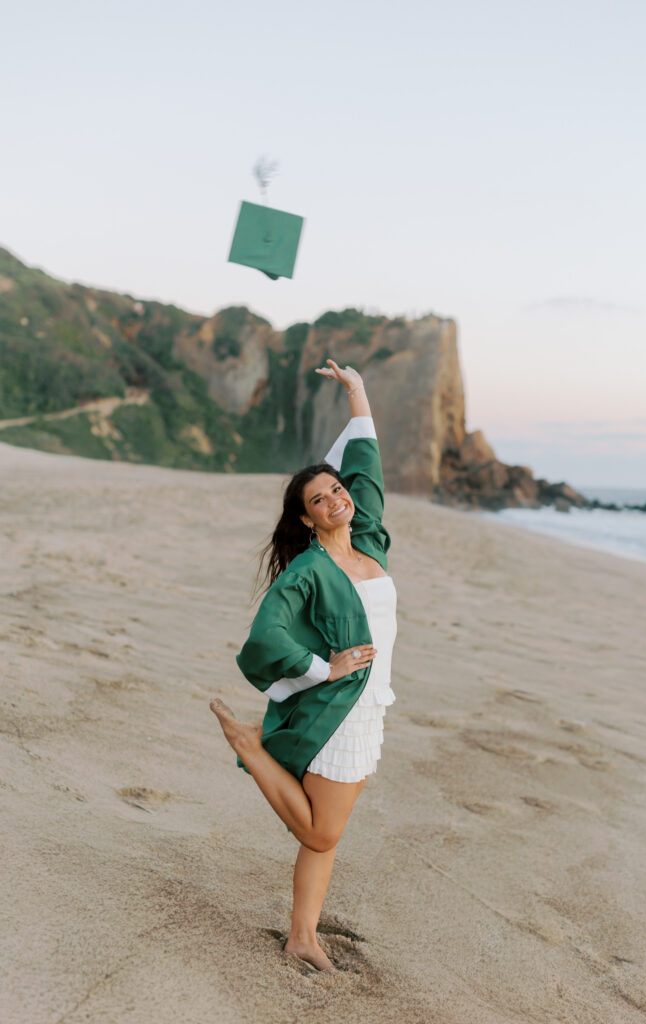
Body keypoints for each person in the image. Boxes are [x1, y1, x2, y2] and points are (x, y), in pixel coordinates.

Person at [210, 359, 397, 971]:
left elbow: (365, 465)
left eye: (336, 490)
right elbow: (264, 641)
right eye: (320, 499)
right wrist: (325, 668)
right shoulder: (308, 571)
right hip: (335, 708)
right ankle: (254, 747)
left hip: (373, 707)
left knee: (327, 832)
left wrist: (357, 392)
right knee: (320, 833)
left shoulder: (367, 539)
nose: (336, 499)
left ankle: (302, 935)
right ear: (305, 517)